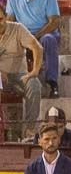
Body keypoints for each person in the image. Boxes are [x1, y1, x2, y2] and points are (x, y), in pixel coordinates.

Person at [6, 0, 59, 95]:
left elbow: (54, 22)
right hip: (23, 36)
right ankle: (12, 83)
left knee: (49, 39)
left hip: (43, 34)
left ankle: (52, 83)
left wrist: (35, 37)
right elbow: (9, 21)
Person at [0, 9, 43, 138]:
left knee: (34, 84)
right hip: (1, 78)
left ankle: (29, 130)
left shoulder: (18, 29)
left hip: (19, 76)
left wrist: (35, 71)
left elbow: (37, 47)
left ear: (6, 17)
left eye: (0, 19)